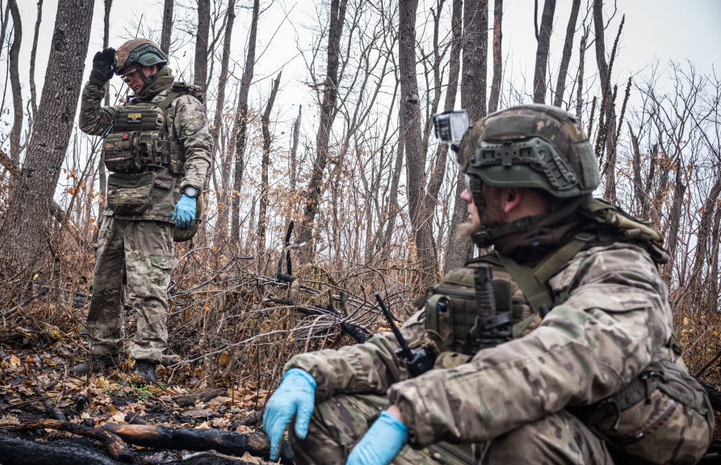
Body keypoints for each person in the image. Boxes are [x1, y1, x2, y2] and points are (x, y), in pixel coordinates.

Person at [263, 104, 714, 464]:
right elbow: (406, 349)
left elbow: (553, 362)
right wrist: (310, 372)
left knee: (518, 436)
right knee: (322, 417)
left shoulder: (621, 270)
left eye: (472, 184)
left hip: (597, 448)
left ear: (510, 194)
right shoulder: (501, 267)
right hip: (494, 436)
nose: (464, 195)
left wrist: (411, 410)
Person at [70, 39, 212, 383]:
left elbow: (200, 150)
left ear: (152, 67)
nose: (129, 81)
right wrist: (96, 83)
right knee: (104, 284)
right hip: (119, 208)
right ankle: (102, 354)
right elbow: (88, 123)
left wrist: (190, 193)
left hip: (157, 209)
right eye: (124, 76)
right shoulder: (128, 109)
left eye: (132, 74)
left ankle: (146, 362)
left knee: (149, 287)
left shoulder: (183, 103)